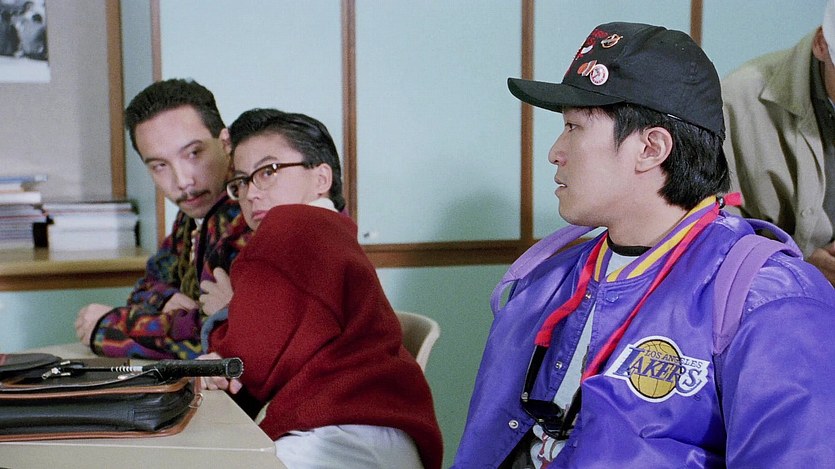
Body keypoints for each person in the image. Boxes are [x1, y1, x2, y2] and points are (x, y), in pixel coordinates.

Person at [454, 22, 835, 468]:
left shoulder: (768, 300)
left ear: (651, 148)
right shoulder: (546, 279)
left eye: (574, 127)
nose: (555, 152)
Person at [196, 108, 443, 469]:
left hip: (339, 436)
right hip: (381, 437)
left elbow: (241, 368)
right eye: (242, 181)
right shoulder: (331, 232)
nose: (251, 193)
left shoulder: (290, 225)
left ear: (321, 177)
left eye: (268, 171)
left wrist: (225, 320)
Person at [74, 78, 250, 359]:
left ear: (225, 142)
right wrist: (165, 299)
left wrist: (108, 326)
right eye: (160, 165)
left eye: (193, 153)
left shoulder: (251, 214)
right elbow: (145, 288)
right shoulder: (193, 214)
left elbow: (211, 339)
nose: (182, 181)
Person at [723, 0, 835, 285]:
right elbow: (710, 235)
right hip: (776, 296)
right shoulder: (740, 101)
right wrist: (795, 266)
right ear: (821, 45)